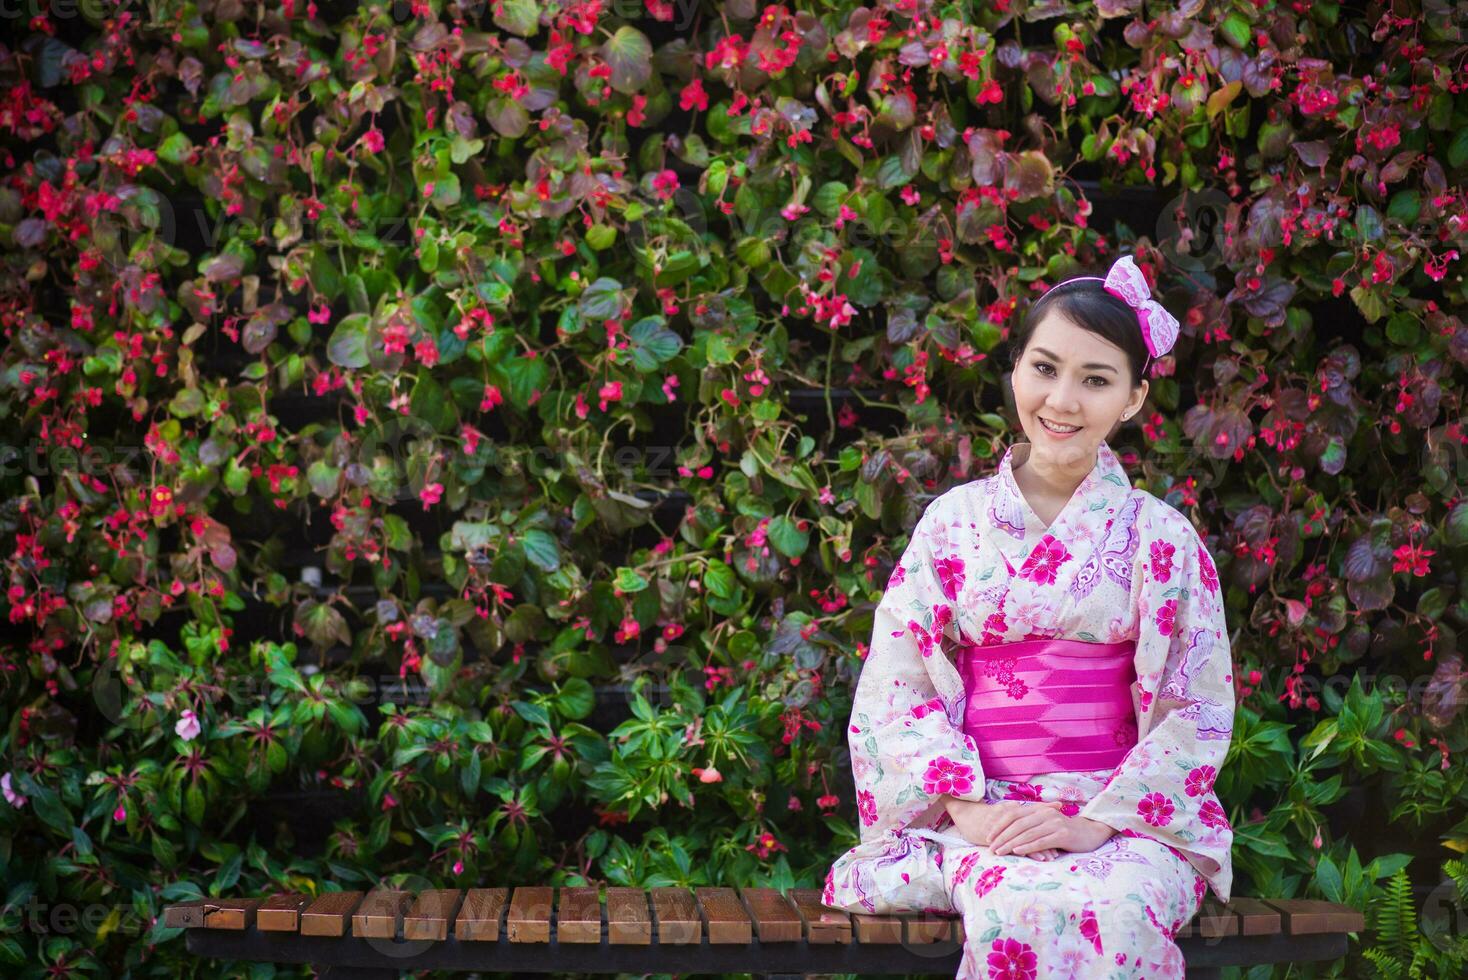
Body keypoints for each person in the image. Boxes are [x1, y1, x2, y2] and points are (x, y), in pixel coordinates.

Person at [821, 255, 1235, 978]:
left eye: (1096, 380)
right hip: (979, 816)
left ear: (1135, 398)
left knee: (1118, 908)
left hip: (1117, 822)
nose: (1063, 400)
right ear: (1014, 369)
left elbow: (1193, 706)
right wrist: (967, 808)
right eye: (1044, 368)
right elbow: (900, 686)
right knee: (1013, 903)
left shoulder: (1162, 538)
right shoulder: (952, 524)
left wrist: (1091, 824)